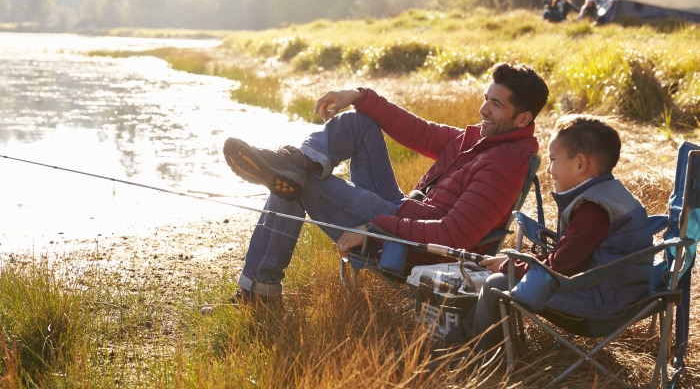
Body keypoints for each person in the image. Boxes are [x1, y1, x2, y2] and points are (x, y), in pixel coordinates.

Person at [221, 62, 549, 304]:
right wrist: (359, 96)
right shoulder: (482, 139)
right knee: (359, 123)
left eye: (496, 104)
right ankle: (297, 162)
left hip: (409, 245)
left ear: (522, 119)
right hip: (407, 210)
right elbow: (417, 130)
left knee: (296, 182)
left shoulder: (504, 165)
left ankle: (258, 291)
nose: (483, 109)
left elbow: (455, 236)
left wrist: (376, 226)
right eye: (486, 98)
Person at [444, 115, 653, 353]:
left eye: (553, 160)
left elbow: (560, 268)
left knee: (496, 285)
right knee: (504, 277)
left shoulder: (592, 208)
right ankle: (459, 343)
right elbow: (571, 259)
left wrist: (511, 265)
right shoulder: (611, 193)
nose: (549, 169)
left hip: (602, 306)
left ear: (580, 164)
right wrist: (519, 262)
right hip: (618, 294)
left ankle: (472, 357)